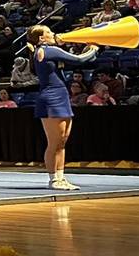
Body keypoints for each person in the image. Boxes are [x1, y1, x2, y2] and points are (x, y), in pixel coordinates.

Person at [27, 25, 99, 191]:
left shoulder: (46, 50)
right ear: (41, 38)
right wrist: (93, 48)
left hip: (61, 96)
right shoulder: (47, 50)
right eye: (49, 32)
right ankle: (53, 179)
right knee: (54, 142)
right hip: (51, 98)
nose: (53, 33)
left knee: (62, 141)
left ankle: (61, 178)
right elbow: (79, 60)